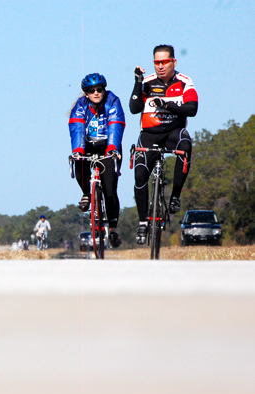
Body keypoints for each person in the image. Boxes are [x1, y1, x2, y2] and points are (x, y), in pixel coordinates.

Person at [130, 44, 198, 244]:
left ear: (173, 62)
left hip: (173, 132)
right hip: (149, 134)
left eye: (164, 62)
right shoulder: (148, 82)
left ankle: (175, 195)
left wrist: (166, 104)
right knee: (140, 173)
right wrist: (137, 83)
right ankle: (143, 223)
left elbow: (192, 109)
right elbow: (134, 108)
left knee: (185, 144)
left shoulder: (185, 82)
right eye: (156, 62)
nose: (160, 66)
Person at [69, 73, 125, 248]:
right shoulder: (80, 105)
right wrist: (78, 150)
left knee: (110, 190)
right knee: (78, 161)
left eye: (99, 89)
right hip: (88, 145)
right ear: (85, 93)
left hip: (108, 146)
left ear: (104, 90)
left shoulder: (113, 101)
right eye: (91, 90)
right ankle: (87, 193)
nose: (96, 93)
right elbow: (77, 127)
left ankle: (113, 230)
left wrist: (112, 149)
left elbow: (116, 125)